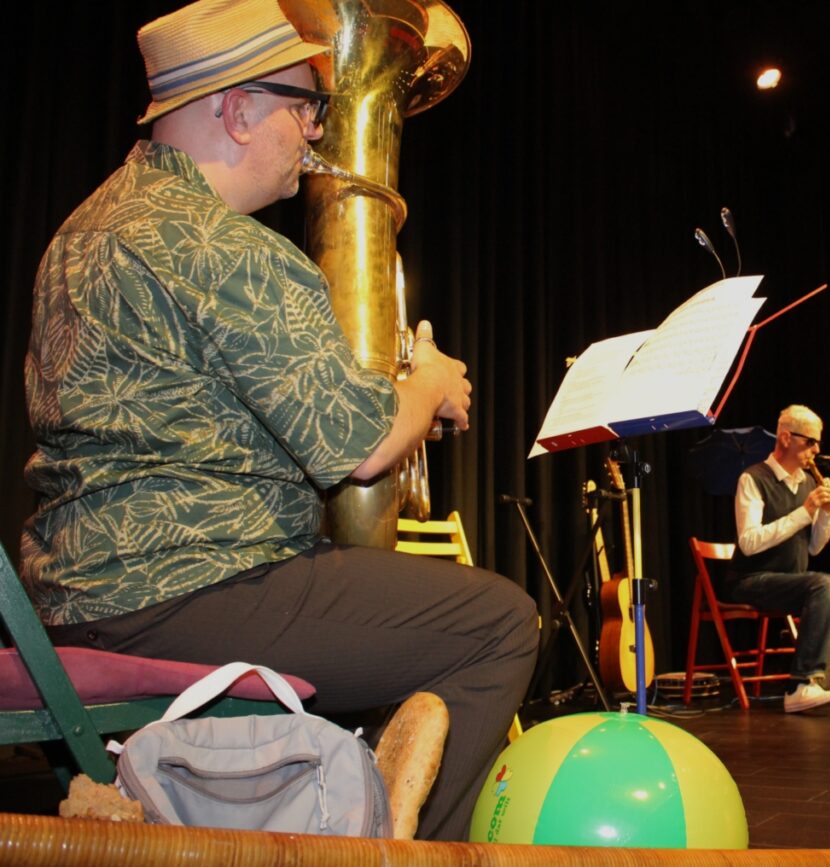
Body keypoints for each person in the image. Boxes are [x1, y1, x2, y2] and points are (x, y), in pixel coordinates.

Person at [20, 0, 536, 840]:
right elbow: (364, 451)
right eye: (305, 108)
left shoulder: (84, 229)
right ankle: (395, 850)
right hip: (186, 589)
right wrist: (430, 383)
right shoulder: (232, 249)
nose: (316, 134)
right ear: (236, 109)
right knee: (499, 623)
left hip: (76, 594)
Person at [728, 405, 830, 713]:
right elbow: (749, 542)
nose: (817, 449)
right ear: (786, 438)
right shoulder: (753, 479)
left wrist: (825, 514)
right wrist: (805, 511)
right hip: (752, 579)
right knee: (822, 585)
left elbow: (814, 548)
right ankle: (801, 684)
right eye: (810, 441)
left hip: (792, 579)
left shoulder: (808, 482)